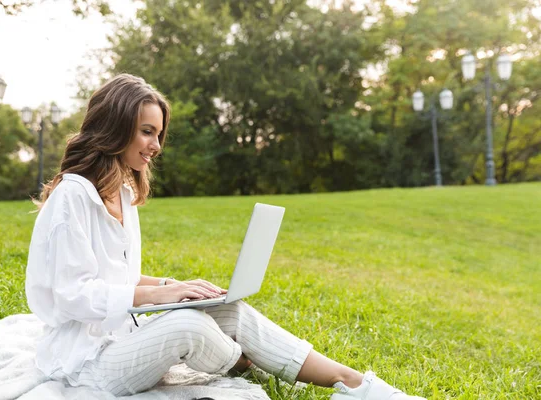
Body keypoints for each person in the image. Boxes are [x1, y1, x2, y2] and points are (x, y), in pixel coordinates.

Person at [25, 73, 426, 400]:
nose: (156, 146)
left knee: (228, 312)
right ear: (115, 127)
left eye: (159, 134)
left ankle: (354, 384)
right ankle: (244, 361)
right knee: (188, 327)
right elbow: (72, 294)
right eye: (147, 132)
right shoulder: (72, 196)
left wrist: (173, 285)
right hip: (85, 363)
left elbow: (116, 277)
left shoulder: (124, 192)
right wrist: (159, 295)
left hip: (124, 337)